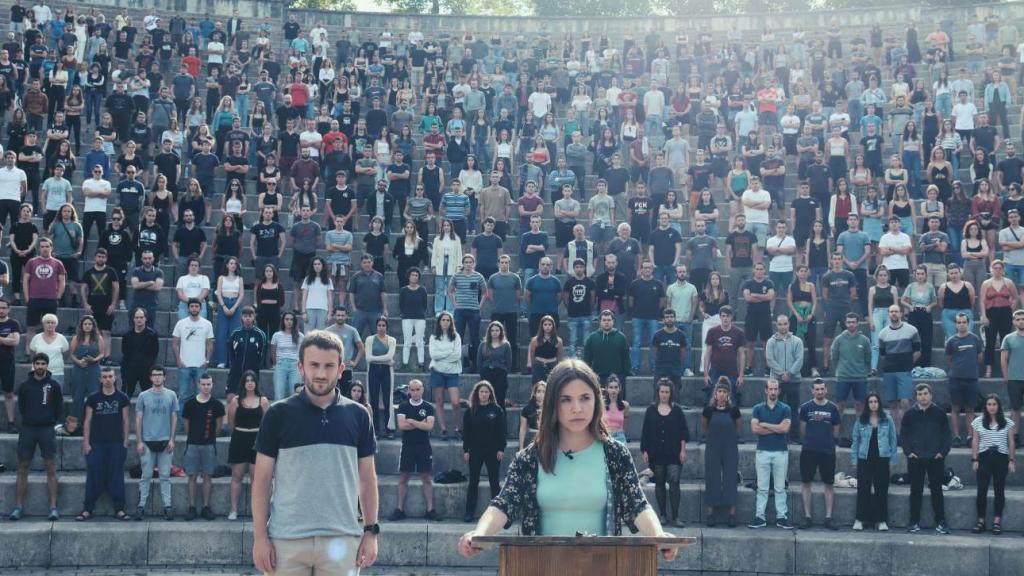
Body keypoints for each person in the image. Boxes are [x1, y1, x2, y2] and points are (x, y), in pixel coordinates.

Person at [459, 360, 679, 561]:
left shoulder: (615, 454)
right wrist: (479, 534)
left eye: (585, 398)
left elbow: (638, 506)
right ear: (553, 403)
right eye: (566, 399)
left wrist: (659, 536)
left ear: (596, 400)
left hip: (602, 567)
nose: (577, 408)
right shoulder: (529, 457)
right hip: (542, 567)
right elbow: (503, 505)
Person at [252, 331, 380, 574]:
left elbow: (367, 479)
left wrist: (371, 532)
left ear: (341, 369)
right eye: (314, 365)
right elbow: (261, 480)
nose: (321, 374)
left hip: (342, 539)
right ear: (300, 367)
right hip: (286, 540)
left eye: (329, 366)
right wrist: (260, 537)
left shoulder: (359, 415)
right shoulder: (278, 414)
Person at [9, 354, 62, 521]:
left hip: (46, 429)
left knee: (50, 467)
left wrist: (50, 420)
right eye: (37, 363)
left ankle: (53, 507)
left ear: (47, 365)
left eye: (43, 363)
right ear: (33, 365)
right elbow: (22, 407)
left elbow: (58, 407)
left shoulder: (54, 385)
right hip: (28, 429)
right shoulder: (25, 386)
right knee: (23, 466)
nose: (40, 366)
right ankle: (18, 507)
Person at [79, 367, 130, 521]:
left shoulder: (123, 398)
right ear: (100, 379)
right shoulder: (93, 398)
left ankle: (119, 509)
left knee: (116, 476)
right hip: (96, 443)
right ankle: (88, 509)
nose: (108, 379)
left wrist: (126, 441)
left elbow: (126, 420)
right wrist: (86, 443)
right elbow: (87, 421)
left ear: (115, 378)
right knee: (93, 475)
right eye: (104, 376)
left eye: (110, 376)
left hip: (116, 443)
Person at [901, 383, 952, 534]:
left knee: (936, 490)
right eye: (919, 394)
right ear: (916, 396)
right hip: (915, 458)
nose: (922, 397)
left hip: (935, 458)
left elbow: (946, 435)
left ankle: (941, 521)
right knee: (915, 490)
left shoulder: (940, 413)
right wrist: (908, 452)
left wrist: (942, 453)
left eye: (925, 393)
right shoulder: (909, 414)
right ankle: (914, 521)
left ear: (931, 395)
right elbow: (904, 435)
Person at [388, 378, 440, 522]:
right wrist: (420, 423)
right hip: (408, 446)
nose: (415, 392)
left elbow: (429, 427)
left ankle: (430, 510)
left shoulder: (428, 407)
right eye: (412, 389)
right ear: (409, 390)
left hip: (424, 446)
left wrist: (411, 421)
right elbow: (402, 426)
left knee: (426, 478)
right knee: (404, 478)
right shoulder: (403, 406)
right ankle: (400, 509)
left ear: (422, 390)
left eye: (418, 389)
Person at [641, 378, 689, 528]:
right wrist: (645, 451)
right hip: (656, 453)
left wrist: (683, 450)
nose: (664, 394)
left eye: (667, 392)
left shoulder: (677, 410)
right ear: (658, 392)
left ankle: (676, 516)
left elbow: (683, 433)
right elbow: (645, 433)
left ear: (671, 393)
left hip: (674, 453)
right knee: (659, 484)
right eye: (662, 391)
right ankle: (662, 514)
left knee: (674, 482)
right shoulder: (650, 410)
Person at [135, 366, 179, 521]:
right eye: (155, 375)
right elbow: (139, 419)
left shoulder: (171, 395)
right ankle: (141, 506)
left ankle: (167, 506)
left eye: (160, 375)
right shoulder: (143, 396)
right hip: (147, 441)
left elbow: (174, 417)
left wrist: (172, 438)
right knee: (145, 475)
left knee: (165, 476)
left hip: (165, 441)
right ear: (150, 378)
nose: (158, 378)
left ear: (164, 377)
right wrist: (139, 441)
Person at [748, 379, 793, 529]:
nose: (773, 392)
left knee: (780, 487)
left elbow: (785, 429)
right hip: (763, 451)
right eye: (771, 389)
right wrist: (777, 427)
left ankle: (782, 517)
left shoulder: (786, 408)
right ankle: (759, 517)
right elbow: (755, 430)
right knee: (762, 487)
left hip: (780, 452)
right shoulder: (758, 408)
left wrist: (766, 424)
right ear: (766, 390)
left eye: (775, 389)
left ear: (779, 391)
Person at [851, 392, 899, 531]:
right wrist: (854, 459)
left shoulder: (887, 419)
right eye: (871, 402)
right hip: (864, 458)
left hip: (882, 458)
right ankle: (860, 519)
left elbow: (893, 439)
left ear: (879, 403)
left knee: (881, 489)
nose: (873, 404)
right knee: (863, 489)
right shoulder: (861, 420)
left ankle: (881, 520)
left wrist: (892, 458)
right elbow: (856, 440)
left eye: (876, 401)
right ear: (867, 404)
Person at [798, 378, 841, 530]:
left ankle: (828, 517)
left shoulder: (833, 408)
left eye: (822, 389)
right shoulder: (805, 408)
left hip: (827, 451)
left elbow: (836, 429)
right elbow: (802, 429)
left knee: (828, 484)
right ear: (812, 391)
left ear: (826, 390)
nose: (820, 391)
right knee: (806, 483)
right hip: (809, 450)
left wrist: (830, 442)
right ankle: (807, 517)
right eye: (817, 389)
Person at [227, 371, 269, 521]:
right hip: (239, 438)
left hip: (257, 441)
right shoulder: (235, 401)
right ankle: (233, 509)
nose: (250, 383)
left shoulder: (263, 401)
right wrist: (239, 433)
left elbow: (267, 423)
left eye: (252, 380)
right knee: (236, 477)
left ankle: (256, 511)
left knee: (255, 479)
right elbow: (231, 422)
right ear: (243, 383)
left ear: (256, 383)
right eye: (247, 380)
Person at [462, 380, 507, 522]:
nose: (484, 394)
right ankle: (469, 512)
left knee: (494, 482)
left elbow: (502, 431)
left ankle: (498, 514)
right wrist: (466, 450)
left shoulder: (497, 410)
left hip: (493, 450)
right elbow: (466, 433)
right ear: (477, 393)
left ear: (490, 394)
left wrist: (501, 448)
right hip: (475, 450)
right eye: (481, 392)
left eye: (486, 392)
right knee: (473, 482)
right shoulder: (470, 411)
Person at [971, 394, 1016, 535]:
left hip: (1001, 457)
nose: (991, 407)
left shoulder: (1007, 422)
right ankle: (981, 520)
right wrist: (975, 459)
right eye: (989, 404)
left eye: (994, 404)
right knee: (981, 490)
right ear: (986, 406)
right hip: (984, 457)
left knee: (999, 490)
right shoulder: (978, 421)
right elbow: (975, 441)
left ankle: (997, 521)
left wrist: (1011, 460)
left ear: (999, 406)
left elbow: (1011, 442)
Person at [182, 374, 225, 521]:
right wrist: (193, 437)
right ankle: (192, 507)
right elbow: (186, 425)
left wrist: (210, 437)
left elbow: (218, 426)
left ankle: (206, 507)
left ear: (212, 385)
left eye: (209, 384)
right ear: (199, 385)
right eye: (204, 384)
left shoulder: (217, 405)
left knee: (207, 476)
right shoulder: (189, 404)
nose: (206, 387)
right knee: (192, 476)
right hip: (193, 444)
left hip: (209, 445)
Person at [702, 378, 741, 528]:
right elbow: (705, 426)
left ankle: (732, 513)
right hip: (713, 446)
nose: (722, 394)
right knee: (712, 476)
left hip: (730, 446)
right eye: (720, 391)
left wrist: (731, 439)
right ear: (715, 394)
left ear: (728, 394)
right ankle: (711, 512)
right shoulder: (709, 410)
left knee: (731, 477)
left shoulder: (733, 410)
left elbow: (738, 426)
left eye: (725, 392)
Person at [879, 303, 922, 431]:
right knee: (892, 403)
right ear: (888, 314)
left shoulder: (912, 330)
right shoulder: (882, 333)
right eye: (891, 311)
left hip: (904, 371)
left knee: (905, 402)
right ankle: (897, 432)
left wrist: (908, 364)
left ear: (901, 313)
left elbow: (918, 351)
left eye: (896, 311)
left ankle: (906, 429)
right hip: (889, 372)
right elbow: (882, 355)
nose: (894, 314)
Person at [946, 311, 984, 447]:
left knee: (970, 409)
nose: (961, 325)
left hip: (971, 379)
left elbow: (979, 358)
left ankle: (970, 436)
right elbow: (949, 360)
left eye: (964, 322)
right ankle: (956, 437)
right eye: (959, 322)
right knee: (955, 408)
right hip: (955, 379)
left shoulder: (975, 339)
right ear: (956, 324)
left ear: (968, 323)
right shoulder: (951, 341)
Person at [172, 298, 214, 421]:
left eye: (196, 306)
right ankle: (180, 424)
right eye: (192, 306)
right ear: (188, 308)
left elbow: (210, 344)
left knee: (200, 395)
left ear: (200, 308)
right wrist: (179, 360)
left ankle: (198, 421)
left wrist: (207, 361)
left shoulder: (207, 324)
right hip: (184, 365)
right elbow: (175, 343)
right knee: (183, 395)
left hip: (200, 365)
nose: (194, 308)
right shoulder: (181, 323)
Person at [429, 311, 463, 440]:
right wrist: (448, 354)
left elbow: (457, 355)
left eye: (448, 320)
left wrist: (442, 355)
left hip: (453, 372)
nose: (445, 322)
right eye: (443, 320)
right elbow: (433, 355)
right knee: (439, 401)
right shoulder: (433, 337)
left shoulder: (456, 337)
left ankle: (456, 428)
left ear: (451, 322)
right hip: (437, 371)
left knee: (455, 402)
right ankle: (443, 429)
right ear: (439, 322)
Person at [449, 254, 486, 372]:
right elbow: (449, 291)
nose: (468, 264)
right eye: (466, 262)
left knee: (475, 339)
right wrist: (455, 304)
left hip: (474, 311)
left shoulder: (478, 276)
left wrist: (479, 306)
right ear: (463, 263)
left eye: (470, 262)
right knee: (458, 337)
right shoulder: (456, 276)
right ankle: (457, 364)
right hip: (460, 311)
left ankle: (475, 365)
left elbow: (485, 293)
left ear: (473, 264)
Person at [582, 310, 631, 399]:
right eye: (604, 320)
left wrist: (625, 374)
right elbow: (587, 359)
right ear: (600, 322)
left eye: (609, 320)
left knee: (618, 405)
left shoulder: (621, 338)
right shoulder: (592, 338)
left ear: (613, 321)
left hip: (617, 377)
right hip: (598, 377)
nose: (606, 322)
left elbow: (626, 358)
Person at [766, 315, 804, 421]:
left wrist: (790, 373)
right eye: (780, 324)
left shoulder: (797, 341)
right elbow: (770, 360)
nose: (783, 327)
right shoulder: (771, 341)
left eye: (785, 324)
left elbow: (799, 360)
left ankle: (794, 437)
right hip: (776, 382)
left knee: (794, 411)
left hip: (794, 381)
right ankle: (776, 434)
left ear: (789, 324)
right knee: (775, 410)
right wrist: (782, 374)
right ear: (776, 325)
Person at [365, 317, 397, 439]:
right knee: (373, 399)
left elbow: (390, 355)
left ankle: (390, 429)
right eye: (379, 325)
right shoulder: (369, 339)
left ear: (386, 327)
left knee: (388, 399)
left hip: (386, 371)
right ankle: (375, 429)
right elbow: (368, 358)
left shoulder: (392, 340)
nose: (381, 327)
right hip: (373, 371)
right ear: (376, 326)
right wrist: (387, 360)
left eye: (383, 325)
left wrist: (376, 358)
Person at [477, 321, 513, 408]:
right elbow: (479, 361)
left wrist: (503, 372)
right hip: (486, 373)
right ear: (489, 332)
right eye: (492, 330)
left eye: (497, 330)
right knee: (485, 400)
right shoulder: (483, 344)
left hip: (500, 373)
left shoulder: (506, 345)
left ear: (501, 331)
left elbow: (509, 362)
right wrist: (482, 372)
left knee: (500, 400)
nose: (494, 332)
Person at [271, 312, 304, 401]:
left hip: (295, 365)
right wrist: (275, 364)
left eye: (291, 319)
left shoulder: (300, 336)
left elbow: (302, 352)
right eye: (287, 319)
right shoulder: (277, 335)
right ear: (283, 321)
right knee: (279, 394)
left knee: (295, 393)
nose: (289, 321)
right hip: (281, 363)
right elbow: (273, 351)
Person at [0, 299, 21, 432]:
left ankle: (11, 423)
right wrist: (6, 339)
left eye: (3, 308)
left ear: (9, 309)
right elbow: (10, 340)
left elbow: (15, 341)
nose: (1, 310)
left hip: (7, 362)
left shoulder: (13, 323)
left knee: (9, 394)